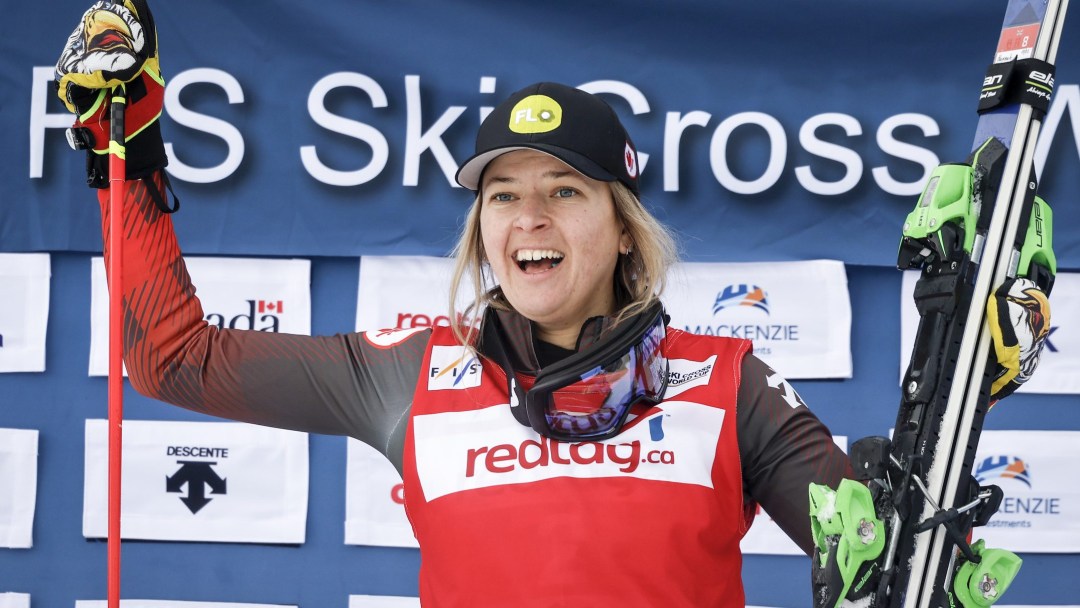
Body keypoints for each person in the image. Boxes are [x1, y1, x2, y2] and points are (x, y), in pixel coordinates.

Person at [54, 2, 1051, 607]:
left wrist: (958, 409)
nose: (529, 214)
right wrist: (124, 157)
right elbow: (172, 357)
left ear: (621, 227)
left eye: (565, 189)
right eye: (502, 192)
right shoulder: (412, 372)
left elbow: (870, 554)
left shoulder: (727, 381)